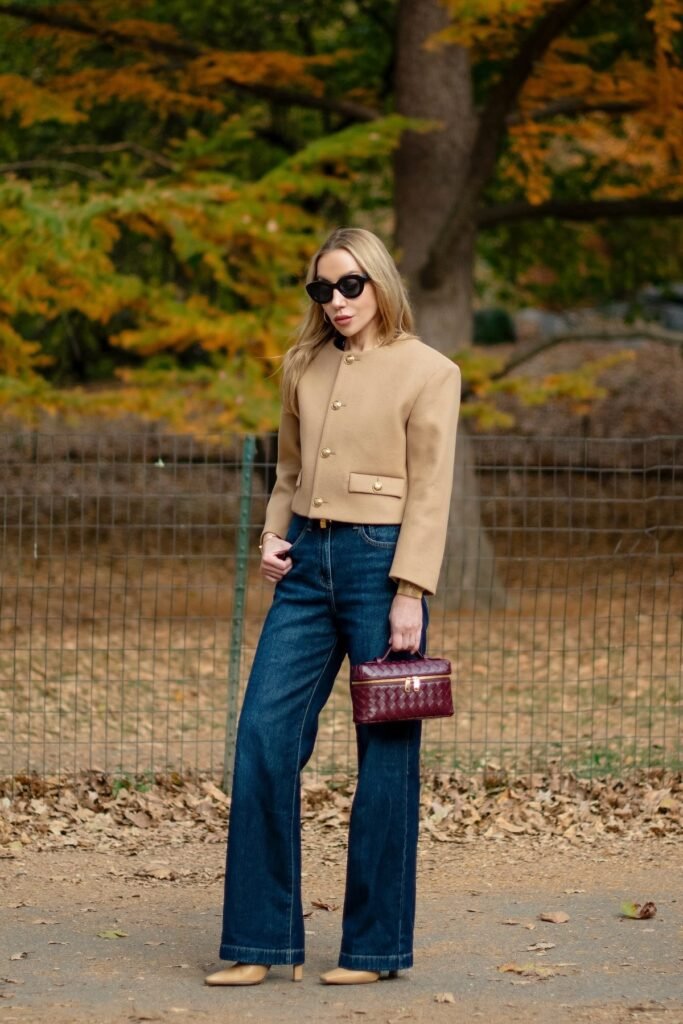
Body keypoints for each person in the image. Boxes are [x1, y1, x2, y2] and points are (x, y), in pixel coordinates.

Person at [205, 226, 460, 988]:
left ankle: (373, 949)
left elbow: (431, 489)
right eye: (323, 289)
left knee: (385, 756)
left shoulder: (429, 370)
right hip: (305, 570)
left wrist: (409, 591)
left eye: (351, 284)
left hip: (381, 565)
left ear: (379, 282)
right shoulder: (301, 367)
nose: (338, 301)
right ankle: (258, 941)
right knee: (262, 737)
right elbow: (286, 473)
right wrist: (271, 537)